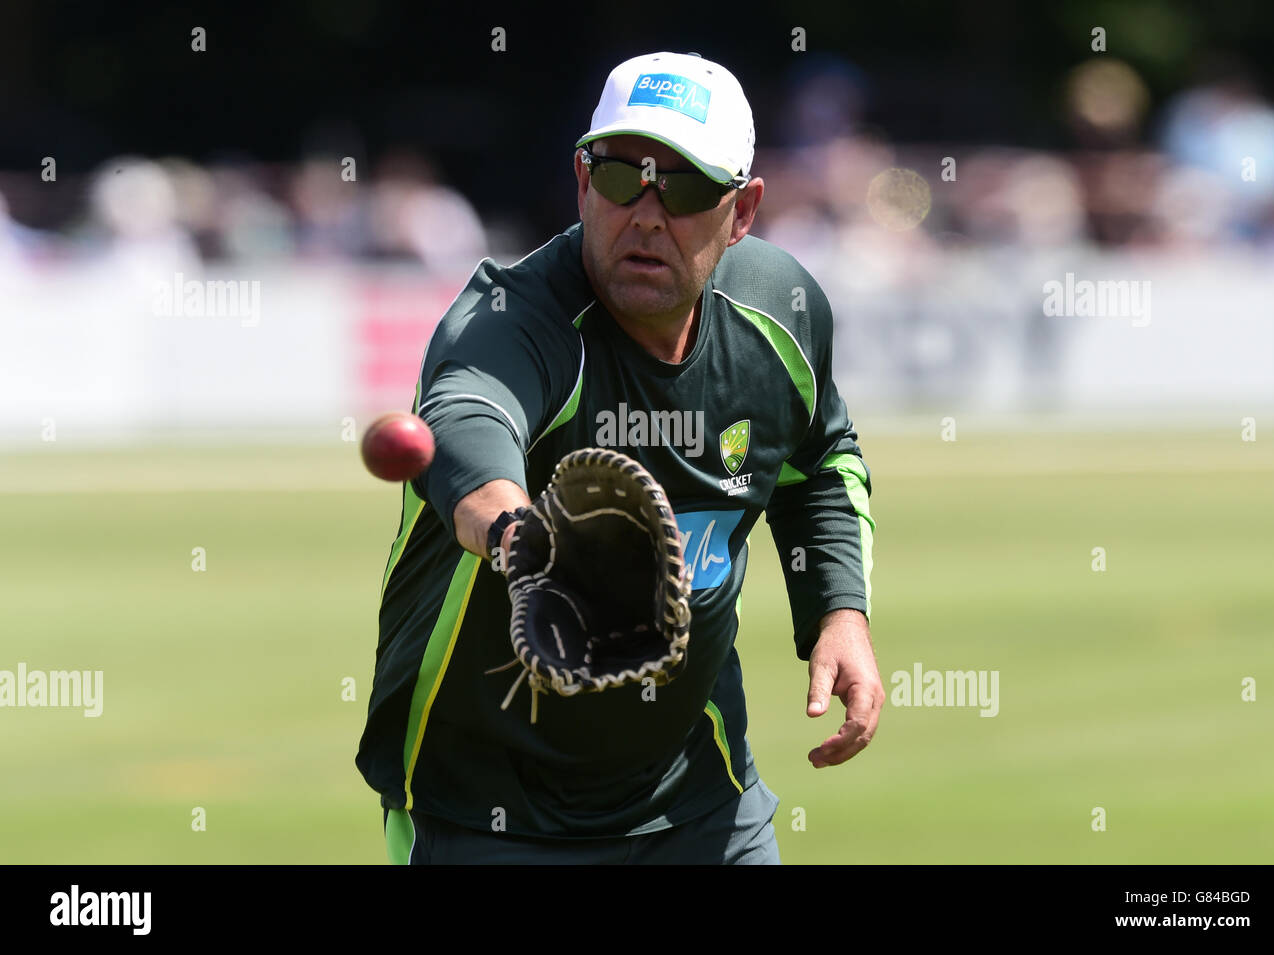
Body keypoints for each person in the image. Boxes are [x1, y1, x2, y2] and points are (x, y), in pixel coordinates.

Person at [356, 51, 882, 865]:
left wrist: (839, 610)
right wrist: (521, 538)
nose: (646, 213)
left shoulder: (780, 312)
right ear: (580, 179)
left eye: (685, 187)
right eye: (620, 177)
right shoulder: (511, 320)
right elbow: (465, 423)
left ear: (742, 210)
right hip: (482, 811)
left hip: (699, 799)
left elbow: (816, 463)